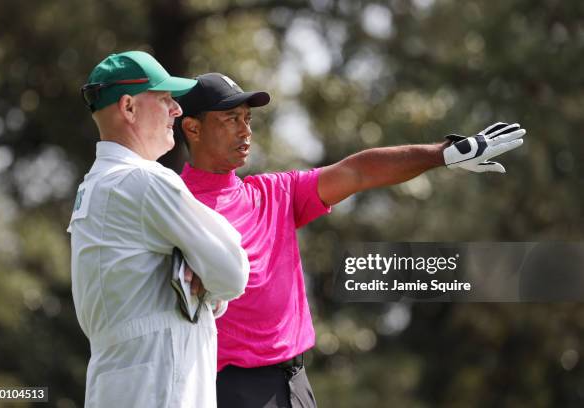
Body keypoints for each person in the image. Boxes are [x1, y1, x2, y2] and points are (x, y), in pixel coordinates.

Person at [175, 72, 526, 408]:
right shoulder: (172, 204)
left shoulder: (273, 193)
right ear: (193, 128)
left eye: (248, 119)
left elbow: (357, 172)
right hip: (232, 389)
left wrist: (442, 154)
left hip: (295, 382)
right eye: (231, 119)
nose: (245, 130)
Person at [68, 53, 250, 408]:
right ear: (129, 107)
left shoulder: (94, 185)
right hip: (159, 390)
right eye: (165, 99)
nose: (177, 111)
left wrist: (210, 288)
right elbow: (234, 271)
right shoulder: (144, 180)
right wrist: (209, 281)